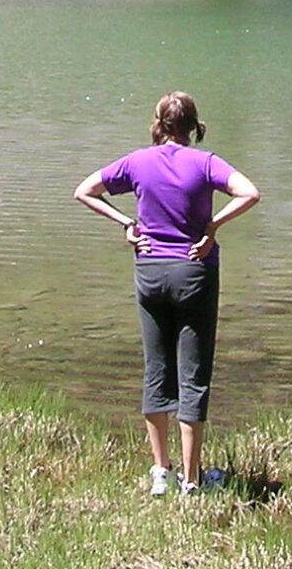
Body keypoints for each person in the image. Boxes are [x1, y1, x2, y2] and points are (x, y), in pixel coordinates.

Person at [73, 91, 260, 496]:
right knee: (193, 376)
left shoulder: (137, 162)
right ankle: (192, 481)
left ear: (158, 125)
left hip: (150, 271)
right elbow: (249, 193)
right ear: (194, 127)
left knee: (156, 369)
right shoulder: (206, 163)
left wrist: (126, 223)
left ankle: (161, 472)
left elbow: (84, 190)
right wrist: (212, 228)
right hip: (194, 274)